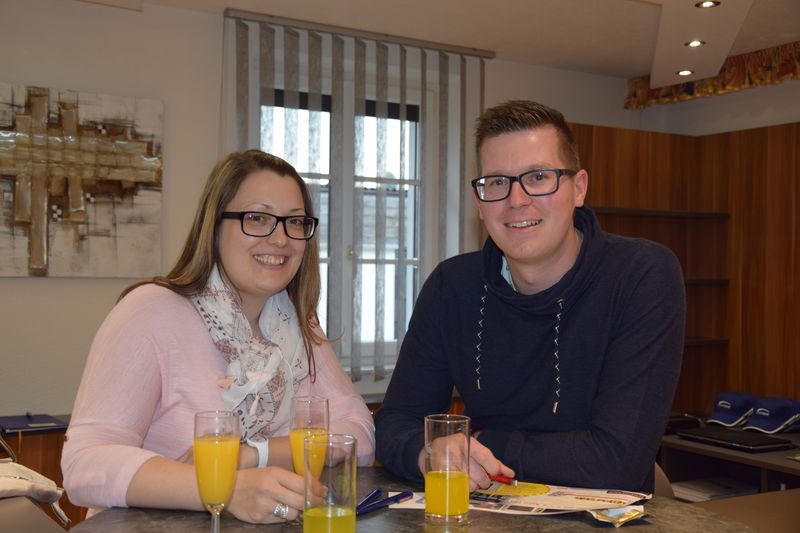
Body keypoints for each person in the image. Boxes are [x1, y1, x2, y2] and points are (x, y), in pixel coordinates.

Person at [374, 100, 684, 493]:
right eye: (498, 182)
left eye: (538, 177)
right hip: (489, 511)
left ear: (579, 188)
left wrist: (483, 443)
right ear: (479, 202)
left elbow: (616, 462)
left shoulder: (641, 275)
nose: (516, 200)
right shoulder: (452, 286)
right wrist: (428, 454)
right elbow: (397, 420)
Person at [62, 150, 375, 524]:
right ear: (214, 226)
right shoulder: (149, 311)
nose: (280, 239)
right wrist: (224, 487)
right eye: (257, 218)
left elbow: (358, 437)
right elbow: (85, 466)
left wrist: (252, 454)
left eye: (294, 222)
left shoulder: (297, 325)